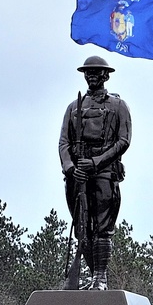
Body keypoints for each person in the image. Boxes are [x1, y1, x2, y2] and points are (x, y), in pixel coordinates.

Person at [58, 55, 132, 290]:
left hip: (104, 174)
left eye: (96, 72)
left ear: (105, 75)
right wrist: (71, 169)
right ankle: (91, 276)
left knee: (102, 228)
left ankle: (100, 277)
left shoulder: (118, 106)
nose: (92, 75)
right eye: (88, 72)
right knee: (82, 228)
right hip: (78, 177)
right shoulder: (73, 107)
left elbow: (123, 141)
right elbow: (63, 142)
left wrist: (97, 162)